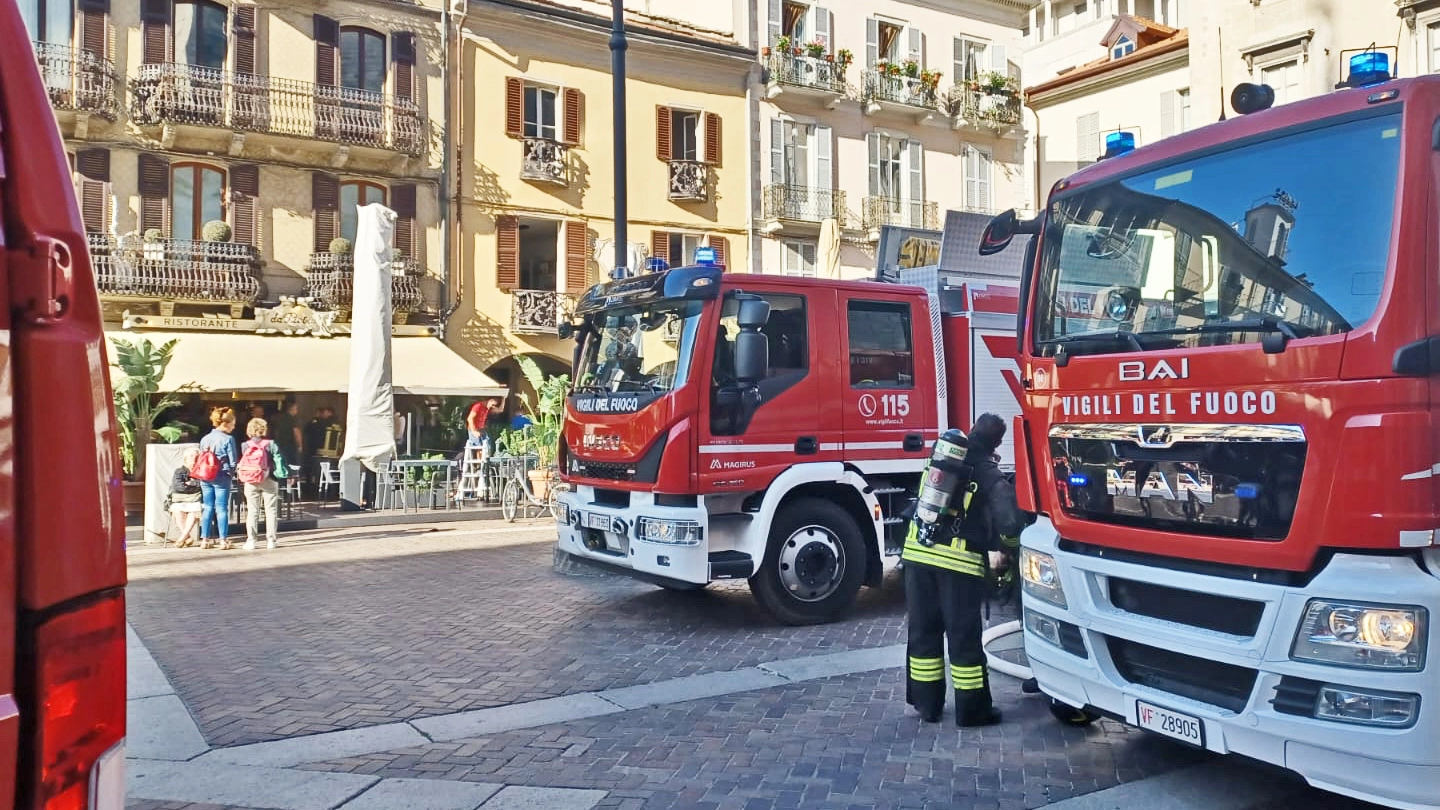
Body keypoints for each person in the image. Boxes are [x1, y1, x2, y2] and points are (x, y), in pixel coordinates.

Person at [902, 413, 1023, 727]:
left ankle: (927, 705)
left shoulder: (942, 458)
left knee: (924, 632)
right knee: (963, 637)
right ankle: (973, 711)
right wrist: (1010, 546)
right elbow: (1009, 519)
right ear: (997, 441)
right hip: (958, 565)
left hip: (917, 554)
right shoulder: (988, 472)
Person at [238, 417, 288, 550]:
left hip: (251, 480)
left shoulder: (245, 445)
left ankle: (251, 540)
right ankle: (271, 540)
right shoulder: (271, 444)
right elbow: (279, 460)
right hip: (269, 479)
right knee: (271, 510)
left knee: (252, 511)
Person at [198, 407, 239, 550]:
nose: (234, 427)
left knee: (208, 507)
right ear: (225, 424)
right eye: (233, 424)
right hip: (222, 475)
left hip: (205, 476)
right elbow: (233, 461)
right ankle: (223, 540)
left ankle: (205, 539)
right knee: (221, 508)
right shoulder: (228, 439)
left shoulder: (205, 439)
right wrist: (231, 473)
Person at [168, 447, 204, 548]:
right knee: (178, 511)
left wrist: (190, 484)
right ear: (185, 458)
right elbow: (178, 487)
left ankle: (182, 538)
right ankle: (187, 537)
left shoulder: (200, 470)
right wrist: (193, 486)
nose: (194, 458)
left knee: (194, 510)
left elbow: (201, 485)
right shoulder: (179, 471)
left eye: (196, 456)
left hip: (195, 499)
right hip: (180, 498)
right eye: (191, 456)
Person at [271, 399, 302, 472]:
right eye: (296, 408)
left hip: (280, 444)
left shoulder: (279, 418)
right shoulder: (293, 419)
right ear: (293, 409)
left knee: (282, 462)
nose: (297, 411)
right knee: (292, 464)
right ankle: (292, 479)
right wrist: (300, 445)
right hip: (291, 445)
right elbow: (296, 432)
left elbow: (276, 431)